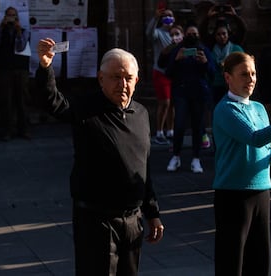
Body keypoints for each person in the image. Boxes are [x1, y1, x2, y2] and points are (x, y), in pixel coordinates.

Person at [36, 38, 164, 275]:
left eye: (128, 78)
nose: (122, 84)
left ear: (136, 81)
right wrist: (45, 68)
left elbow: (143, 168)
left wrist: (152, 213)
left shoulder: (141, 113)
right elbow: (52, 103)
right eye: (116, 77)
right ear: (101, 78)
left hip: (132, 220)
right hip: (97, 221)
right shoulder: (86, 109)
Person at [212, 52, 271, 275]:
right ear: (228, 78)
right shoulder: (225, 109)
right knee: (231, 262)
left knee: (259, 261)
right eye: (244, 74)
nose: (251, 79)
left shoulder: (258, 108)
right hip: (233, 193)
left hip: (261, 190)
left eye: (253, 73)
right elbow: (255, 138)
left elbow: (263, 147)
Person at [165, 23, 215, 173]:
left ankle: (196, 158)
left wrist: (205, 63)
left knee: (197, 126)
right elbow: (168, 72)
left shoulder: (204, 50)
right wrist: (177, 59)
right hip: (181, 93)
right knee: (179, 125)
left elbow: (212, 73)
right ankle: (176, 156)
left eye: (195, 33)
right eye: (189, 33)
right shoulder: (178, 50)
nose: (192, 36)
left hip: (199, 93)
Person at [0, 6, 31, 141]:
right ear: (5, 17)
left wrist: (18, 31)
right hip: (6, 70)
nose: (11, 18)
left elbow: (21, 47)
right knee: (7, 101)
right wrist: (1, 27)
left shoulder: (24, 31)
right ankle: (8, 130)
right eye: (8, 15)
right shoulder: (1, 31)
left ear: (17, 18)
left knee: (22, 100)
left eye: (13, 16)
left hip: (21, 70)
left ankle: (24, 129)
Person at [146, 8, 176, 145]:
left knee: (172, 104)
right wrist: (156, 18)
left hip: (173, 73)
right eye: (166, 16)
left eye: (170, 16)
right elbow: (149, 34)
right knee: (164, 102)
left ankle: (170, 131)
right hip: (161, 72)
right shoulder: (158, 33)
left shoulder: (176, 34)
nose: (168, 18)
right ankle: (159, 132)